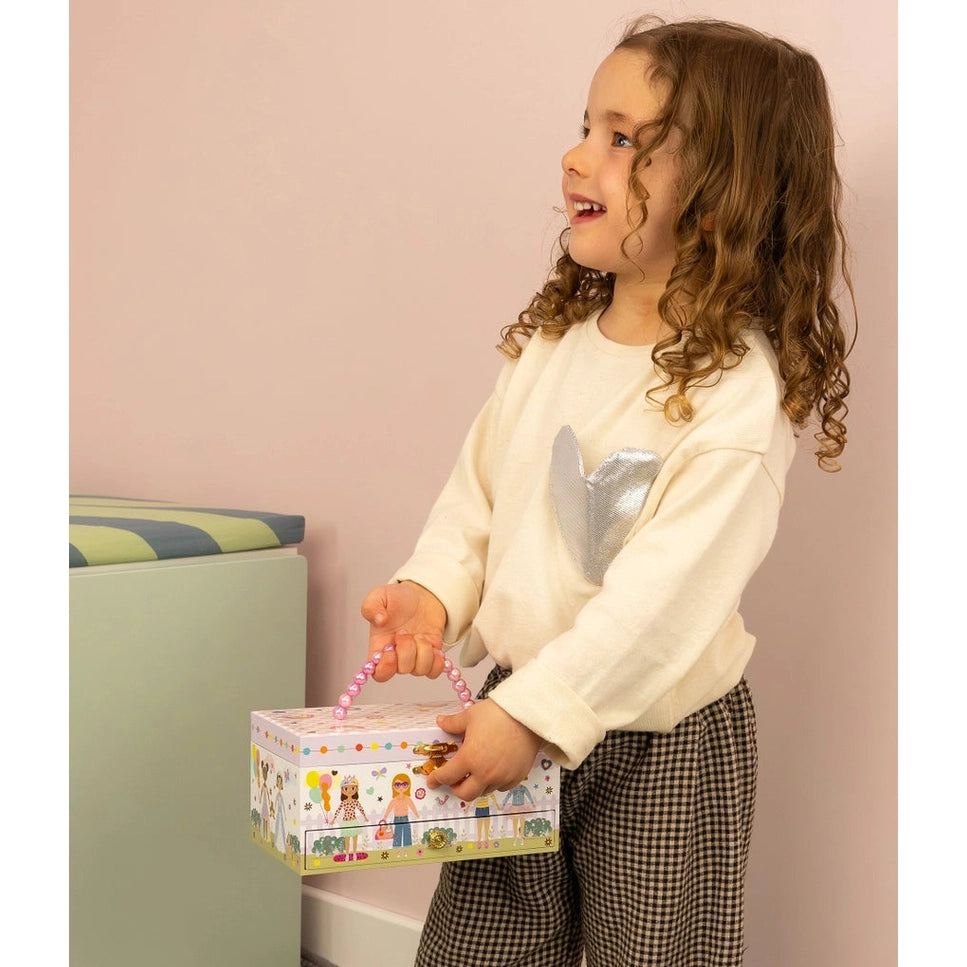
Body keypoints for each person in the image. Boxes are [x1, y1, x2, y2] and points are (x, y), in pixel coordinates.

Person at [360, 15, 854, 967]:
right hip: (515, 710)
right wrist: (431, 591)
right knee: (479, 945)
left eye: (620, 140)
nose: (575, 157)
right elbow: (478, 502)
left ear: (716, 196)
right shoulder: (551, 349)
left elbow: (664, 601)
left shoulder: (735, 397)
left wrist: (539, 712)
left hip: (659, 742)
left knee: (654, 953)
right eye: (586, 125)